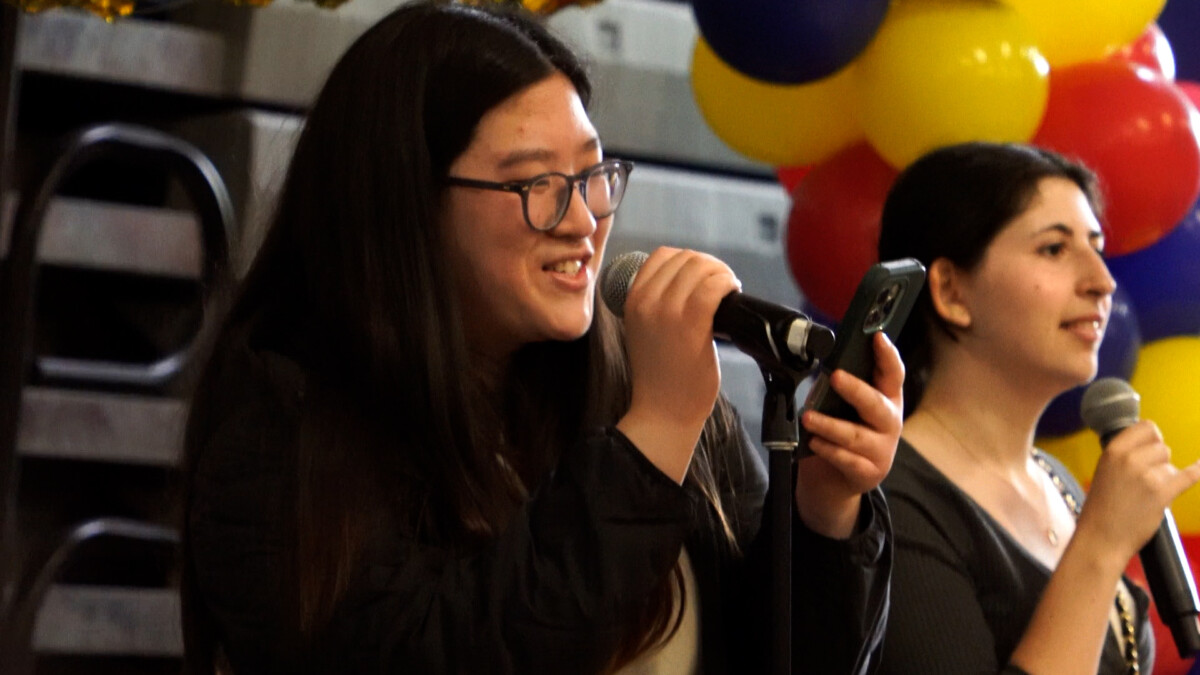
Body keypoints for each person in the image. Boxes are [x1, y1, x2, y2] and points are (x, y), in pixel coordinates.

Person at [180, 2, 905, 673]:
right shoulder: (282, 430)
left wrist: (823, 510)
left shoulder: (641, 385)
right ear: (406, 203)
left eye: (591, 173)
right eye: (534, 184)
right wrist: (651, 439)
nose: (583, 219)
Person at [876, 141, 1200, 675]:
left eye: (1097, 247)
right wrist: (1101, 545)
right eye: (1054, 249)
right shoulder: (891, 498)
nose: (1102, 282)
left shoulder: (1058, 482)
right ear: (951, 291)